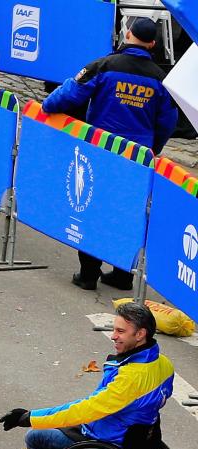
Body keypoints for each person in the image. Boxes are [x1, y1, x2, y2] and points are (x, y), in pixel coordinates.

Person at [41, 18, 179, 292]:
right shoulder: (161, 80)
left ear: (127, 35)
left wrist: (48, 105)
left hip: (101, 151)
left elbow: (64, 97)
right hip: (136, 158)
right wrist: (153, 149)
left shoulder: (104, 66)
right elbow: (167, 122)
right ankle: (122, 274)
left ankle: (88, 274)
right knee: (126, 212)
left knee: (92, 208)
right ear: (152, 44)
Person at [0, 302, 173, 449]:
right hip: (136, 440)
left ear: (140, 334)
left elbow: (86, 410)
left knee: (35, 438)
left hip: (107, 446)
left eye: (120, 331)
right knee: (63, 428)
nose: (113, 336)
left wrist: (30, 418)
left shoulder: (129, 379)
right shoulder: (163, 365)